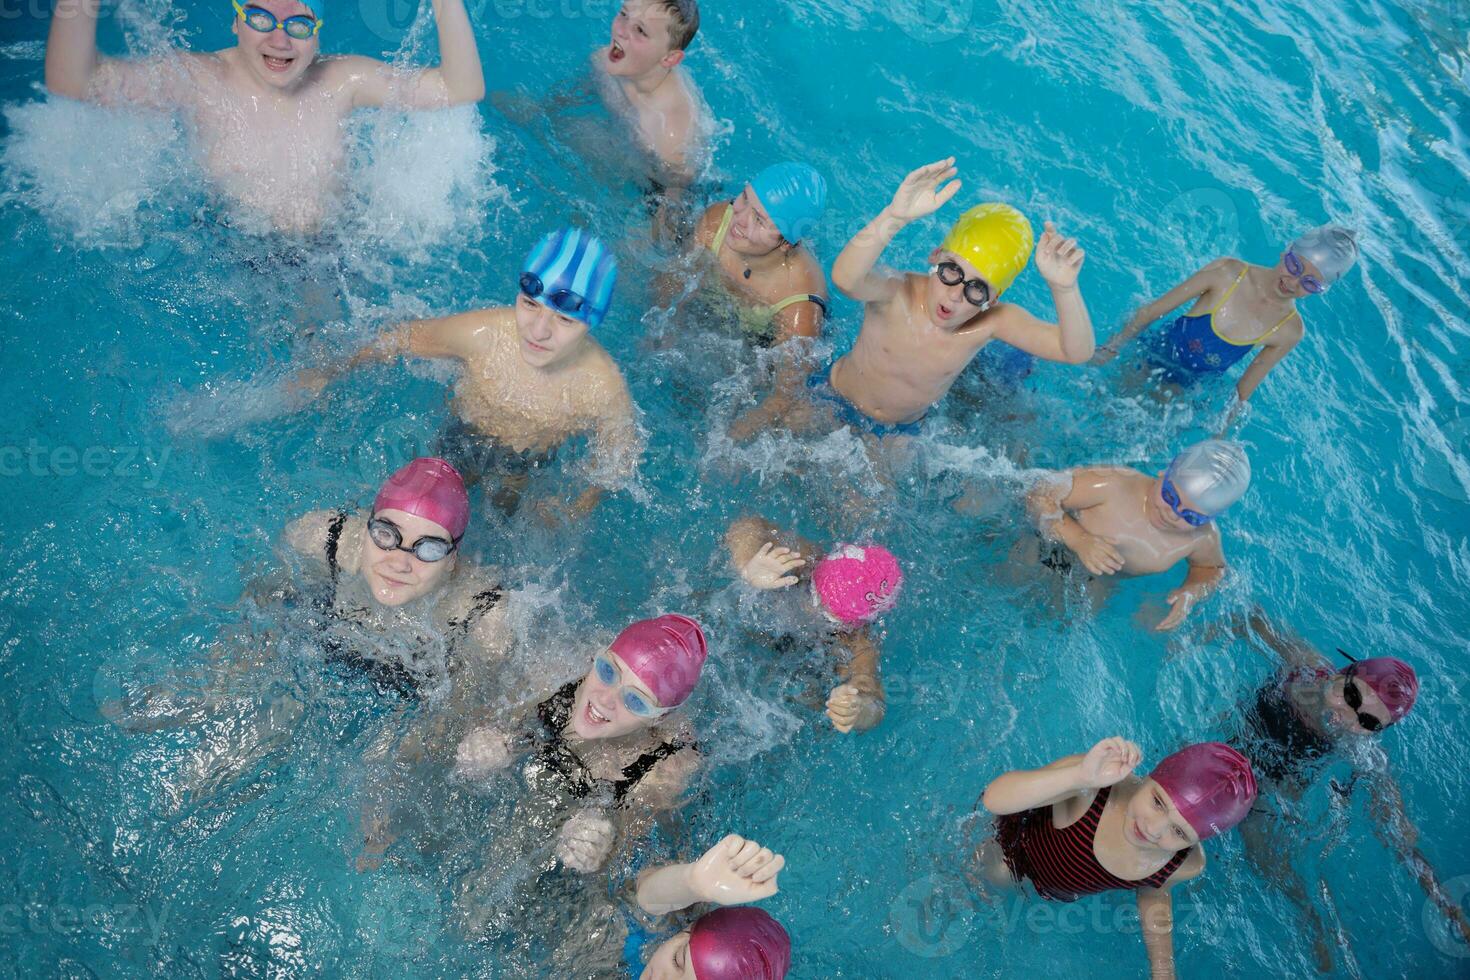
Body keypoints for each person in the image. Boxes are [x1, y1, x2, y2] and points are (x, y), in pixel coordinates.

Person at [99, 458, 514, 821]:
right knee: (244, 709)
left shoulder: (482, 617)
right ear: (368, 524)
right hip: (321, 636)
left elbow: (458, 712)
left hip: (405, 693)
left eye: (427, 549)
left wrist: (409, 755)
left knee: (378, 801)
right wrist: (229, 667)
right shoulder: (322, 539)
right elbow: (262, 604)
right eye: (386, 533)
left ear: (454, 558)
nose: (399, 561)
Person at [44, 0, 486, 234]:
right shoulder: (199, 79)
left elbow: (460, 89)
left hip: (330, 251)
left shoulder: (342, 79)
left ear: (317, 32)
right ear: (235, 21)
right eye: (260, 17)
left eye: (298, 23)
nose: (280, 39)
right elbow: (76, 83)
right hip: (228, 246)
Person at [299, 227, 638, 520]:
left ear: (591, 325)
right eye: (530, 305)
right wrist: (328, 372)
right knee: (417, 511)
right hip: (462, 435)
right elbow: (400, 337)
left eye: (564, 319)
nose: (539, 330)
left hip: (524, 467)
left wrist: (578, 508)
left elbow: (617, 459)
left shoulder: (601, 386)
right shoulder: (484, 336)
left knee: (504, 528)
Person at [1226, 608, 1470, 970]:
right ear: (1343, 672)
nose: (1348, 716)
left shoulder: (1362, 752)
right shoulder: (1303, 665)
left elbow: (1400, 837)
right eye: (1352, 696)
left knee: (1262, 855)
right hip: (1238, 732)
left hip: (1273, 784)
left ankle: (1311, 920)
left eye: (1368, 722)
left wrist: (1443, 902)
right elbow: (1247, 618)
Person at [448, 615, 707, 931]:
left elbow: (636, 855)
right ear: (597, 656)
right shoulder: (554, 670)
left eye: (636, 702)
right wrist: (485, 740)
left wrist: (603, 844)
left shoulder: (667, 762)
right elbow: (472, 708)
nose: (604, 700)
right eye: (609, 672)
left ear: (658, 718)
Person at [811, 158, 1093, 437]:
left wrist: (1064, 289)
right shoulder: (898, 291)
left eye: (976, 289)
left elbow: (1075, 352)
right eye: (951, 271)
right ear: (935, 257)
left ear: (992, 300)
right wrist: (894, 217)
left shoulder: (990, 323)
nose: (956, 294)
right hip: (834, 396)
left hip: (900, 431)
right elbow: (845, 280)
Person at [976, 738, 1257, 979]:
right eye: (1158, 802)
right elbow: (995, 799)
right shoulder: (1094, 790)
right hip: (1008, 846)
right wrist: (1080, 776)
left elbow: (1154, 891)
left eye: (1179, 832)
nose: (1153, 828)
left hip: (1053, 891)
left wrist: (1162, 968)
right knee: (997, 874)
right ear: (1149, 777)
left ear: (1196, 841)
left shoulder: (1185, 863)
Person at [1094, 226, 1360, 402]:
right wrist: (1111, 347)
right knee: (1104, 401)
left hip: (1188, 388)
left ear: (1320, 290)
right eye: (1294, 265)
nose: (1293, 282)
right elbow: (1150, 311)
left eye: (1310, 284)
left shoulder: (1289, 330)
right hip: (1154, 354)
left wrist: (1222, 437)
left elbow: (1243, 392)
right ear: (1286, 251)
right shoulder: (1229, 273)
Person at [1024, 439, 1250, 631]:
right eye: (1170, 496)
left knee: (1059, 629)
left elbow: (1212, 569)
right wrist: (1079, 539)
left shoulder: (1202, 538)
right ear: (1164, 472)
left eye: (1190, 517)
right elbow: (1037, 493)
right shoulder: (1113, 485)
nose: (1172, 514)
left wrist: (1190, 594)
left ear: (1208, 519)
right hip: (1046, 549)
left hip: (1100, 582)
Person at [677, 163, 828, 439]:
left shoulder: (799, 306)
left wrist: (733, 436)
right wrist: (664, 333)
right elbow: (675, 283)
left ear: (786, 242)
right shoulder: (717, 220)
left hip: (758, 349)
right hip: (713, 311)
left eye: (759, 220)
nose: (739, 220)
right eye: (744, 198)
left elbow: (784, 395)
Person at [724, 516, 902, 734]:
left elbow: (872, 698)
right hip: (759, 632)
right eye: (812, 593)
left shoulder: (858, 642)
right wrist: (747, 563)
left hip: (811, 665)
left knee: (807, 702)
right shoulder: (808, 560)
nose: (810, 608)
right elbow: (747, 524)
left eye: (826, 615)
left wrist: (855, 709)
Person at [628, 834, 791, 979]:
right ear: (688, 927)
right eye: (676, 961)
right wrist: (692, 883)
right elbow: (646, 895)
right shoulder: (663, 924)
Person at [593, 0, 706, 187]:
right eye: (624, 14)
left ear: (670, 58)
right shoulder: (604, 60)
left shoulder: (671, 135)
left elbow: (675, 198)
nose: (621, 31)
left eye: (640, 31)